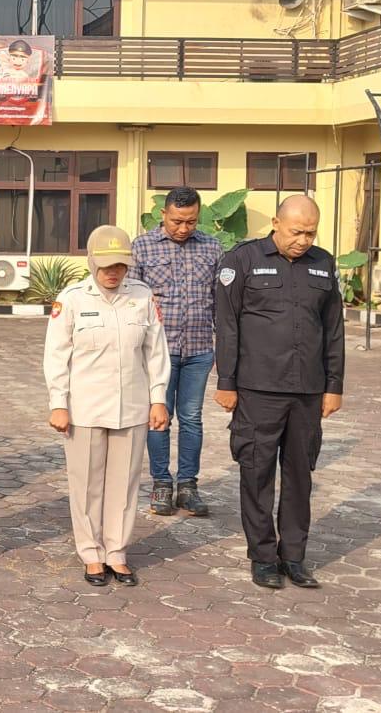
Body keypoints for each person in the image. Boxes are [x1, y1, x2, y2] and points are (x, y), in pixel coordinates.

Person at [214, 194, 344, 590]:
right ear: (275, 223)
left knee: (300, 475)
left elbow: (333, 328)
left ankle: (294, 557)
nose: (303, 240)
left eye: (310, 233)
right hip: (258, 388)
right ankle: (263, 557)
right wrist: (226, 381)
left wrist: (334, 386)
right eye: (296, 232)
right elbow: (227, 325)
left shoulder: (323, 263)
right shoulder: (242, 260)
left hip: (307, 389)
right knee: (257, 473)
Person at [44, 225, 170, 587]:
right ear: (91, 262)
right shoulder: (72, 299)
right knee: (86, 485)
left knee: (124, 485)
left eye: (120, 265)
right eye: (106, 265)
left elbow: (155, 352)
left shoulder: (142, 297)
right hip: (84, 408)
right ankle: (91, 553)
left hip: (131, 406)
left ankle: (116, 552)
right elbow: (56, 355)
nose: (113, 272)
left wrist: (158, 398)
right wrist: (58, 403)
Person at [130, 186, 223, 517]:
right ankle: (161, 484)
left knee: (192, 418)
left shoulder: (212, 247)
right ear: (163, 214)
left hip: (199, 349)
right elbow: (131, 301)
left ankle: (187, 486)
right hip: (159, 352)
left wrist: (225, 349)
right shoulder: (142, 247)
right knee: (159, 418)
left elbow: (220, 301)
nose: (184, 228)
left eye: (191, 221)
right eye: (177, 221)